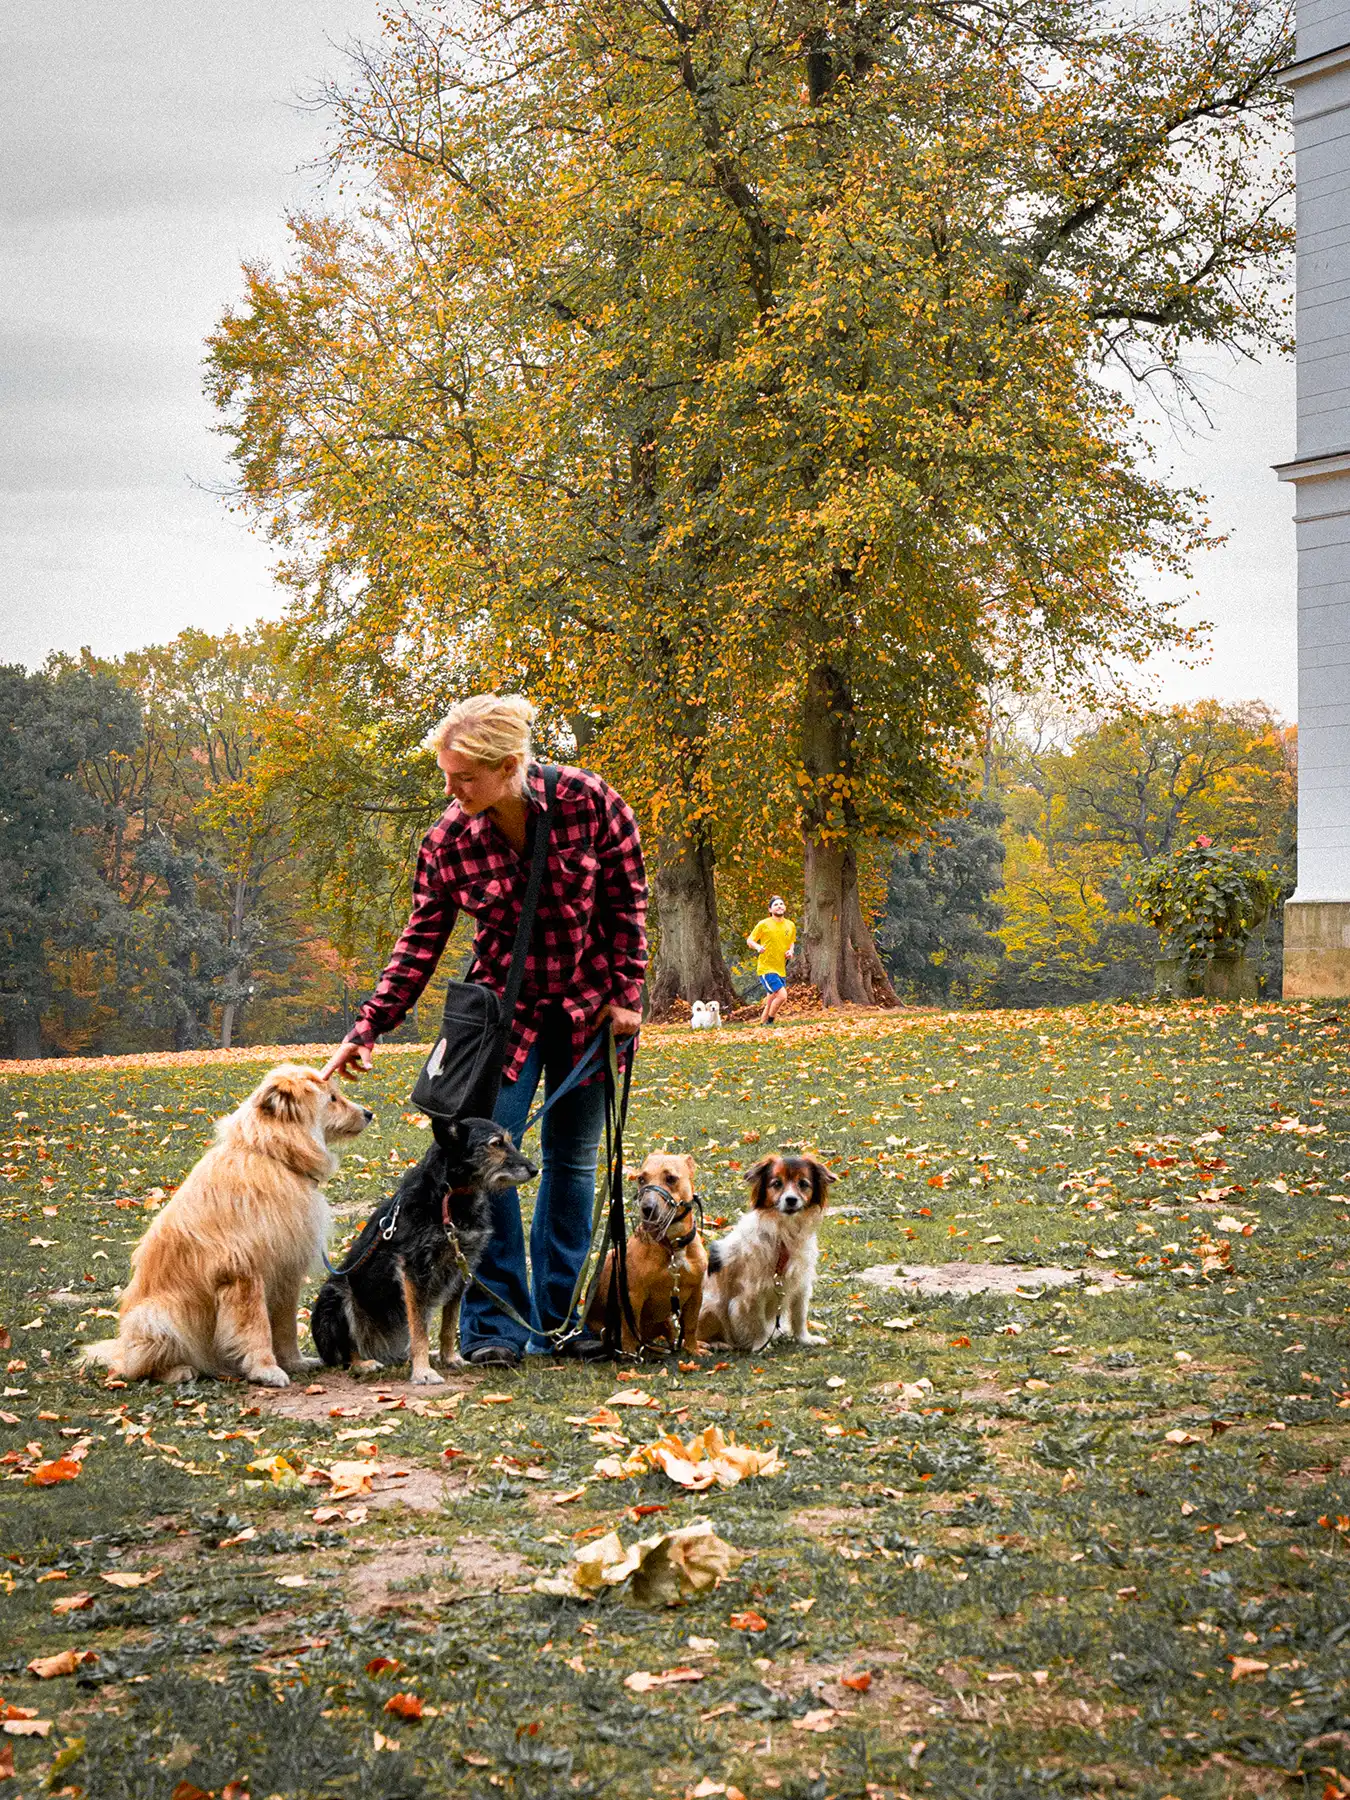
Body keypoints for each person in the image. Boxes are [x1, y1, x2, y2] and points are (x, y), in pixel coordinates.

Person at [322, 694, 646, 1368]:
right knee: (480, 1167)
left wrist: (625, 995)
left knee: (573, 1160)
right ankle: (495, 1326)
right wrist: (371, 1024)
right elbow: (421, 939)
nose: (450, 790)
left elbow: (627, 902)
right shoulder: (449, 840)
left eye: (463, 777)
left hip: (590, 1011)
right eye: (447, 775)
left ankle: (558, 1322)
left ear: (508, 767)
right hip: (503, 1020)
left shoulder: (591, 802)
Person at [747, 895, 796, 1025]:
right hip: (766, 968)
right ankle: (770, 1021)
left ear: (784, 907)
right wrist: (758, 947)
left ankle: (762, 1026)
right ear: (770, 909)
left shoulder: (790, 925)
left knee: (770, 1001)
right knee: (782, 996)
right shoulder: (763, 924)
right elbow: (750, 940)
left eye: (781, 904)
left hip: (780, 968)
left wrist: (790, 951)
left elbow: (791, 942)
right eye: (775, 905)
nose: (779, 906)